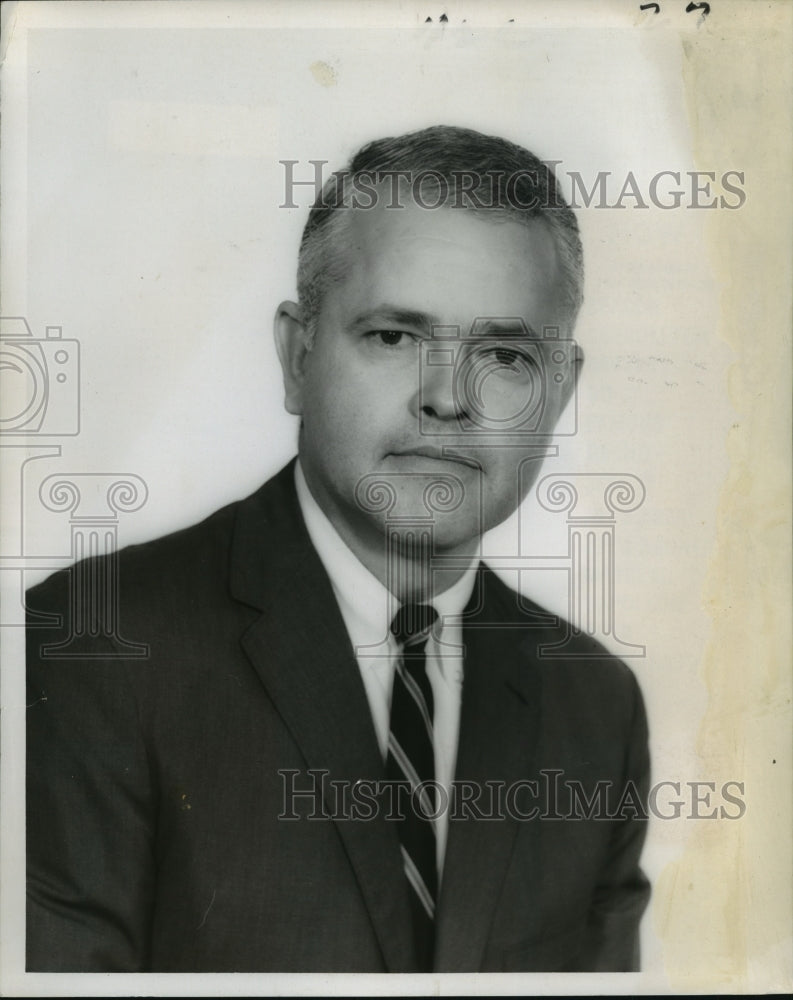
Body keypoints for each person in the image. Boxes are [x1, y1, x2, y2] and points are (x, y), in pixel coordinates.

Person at [26, 125, 650, 973]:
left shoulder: (597, 706)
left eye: (503, 355)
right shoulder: (88, 645)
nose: (446, 399)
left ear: (559, 391)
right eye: (394, 336)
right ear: (296, 354)